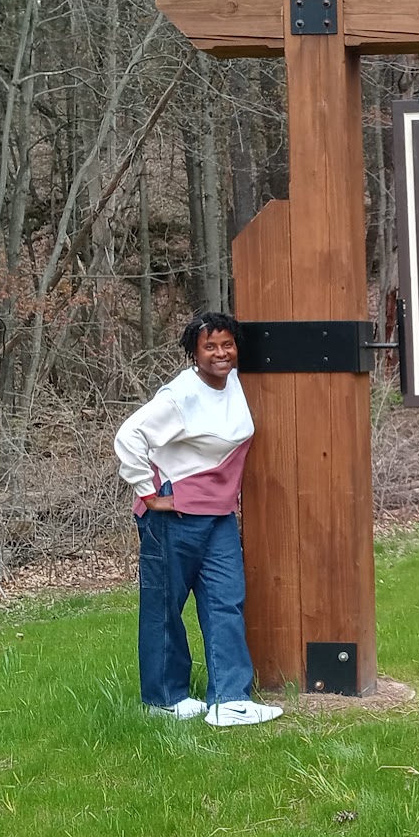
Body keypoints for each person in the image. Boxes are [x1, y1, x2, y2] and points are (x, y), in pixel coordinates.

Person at [114, 312, 283, 728]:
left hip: (219, 515)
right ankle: (165, 699)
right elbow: (129, 436)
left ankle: (230, 701)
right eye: (210, 347)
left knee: (226, 602)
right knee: (164, 607)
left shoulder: (236, 384)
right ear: (194, 352)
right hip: (175, 517)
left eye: (227, 344)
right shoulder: (181, 395)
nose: (220, 353)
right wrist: (149, 494)